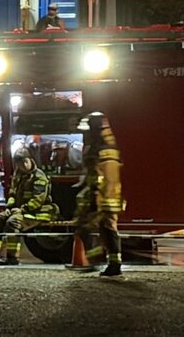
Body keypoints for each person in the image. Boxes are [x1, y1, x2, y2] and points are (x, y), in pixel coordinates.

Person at [0, 152, 58, 265]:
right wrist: (9, 207)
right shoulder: (18, 175)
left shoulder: (39, 176)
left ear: (31, 160)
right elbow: (12, 194)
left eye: (25, 162)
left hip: (37, 212)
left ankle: (12, 257)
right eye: (20, 163)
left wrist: (22, 209)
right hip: (18, 210)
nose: (24, 165)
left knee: (12, 222)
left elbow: (38, 200)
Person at [74, 111, 124, 277]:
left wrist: (94, 192)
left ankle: (97, 261)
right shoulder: (108, 144)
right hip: (108, 195)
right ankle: (111, 263)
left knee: (87, 226)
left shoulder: (100, 148)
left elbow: (100, 173)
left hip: (101, 195)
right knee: (106, 229)